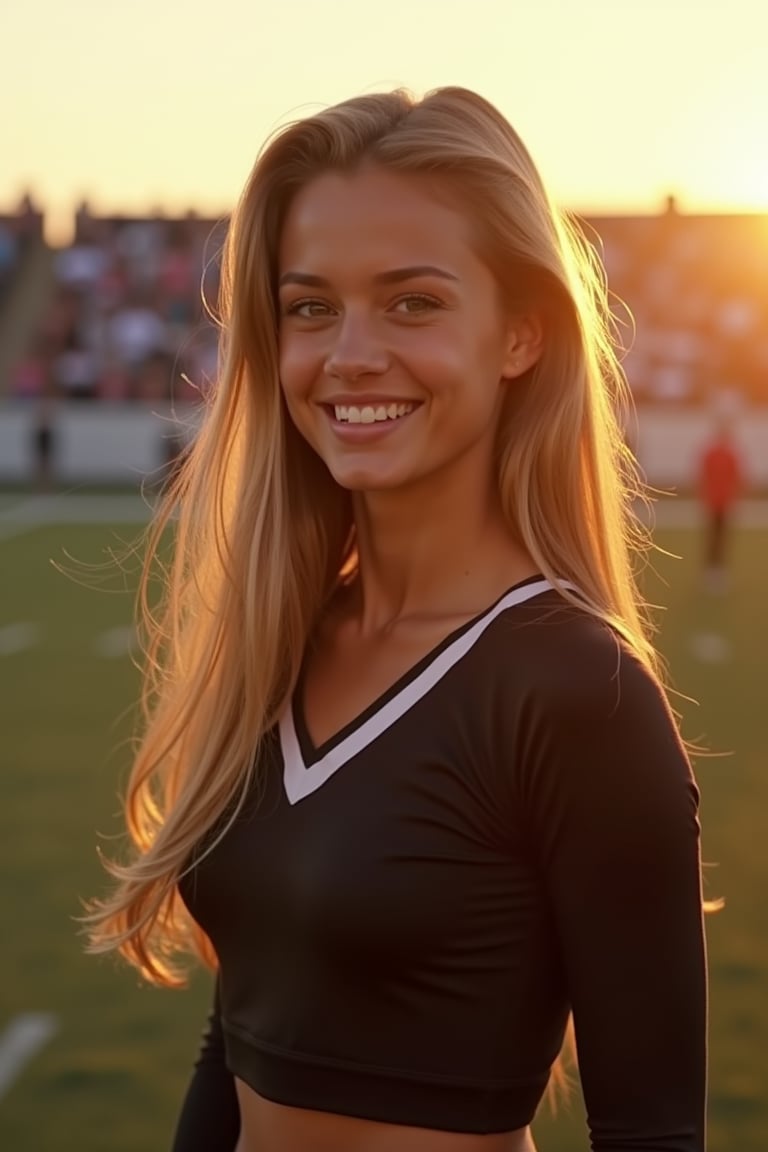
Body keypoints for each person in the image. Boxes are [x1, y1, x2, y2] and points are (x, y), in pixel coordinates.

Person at [86, 87, 709, 1152]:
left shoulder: (576, 692)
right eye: (311, 306)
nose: (350, 354)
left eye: (413, 303)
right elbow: (237, 1042)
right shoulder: (280, 640)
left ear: (519, 334)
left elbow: (651, 1131)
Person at [698, 421, 743, 594]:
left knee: (722, 537)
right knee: (713, 537)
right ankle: (711, 570)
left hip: (724, 502)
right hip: (713, 502)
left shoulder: (730, 454)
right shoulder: (712, 453)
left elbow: (737, 477)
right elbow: (704, 476)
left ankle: (719, 570)